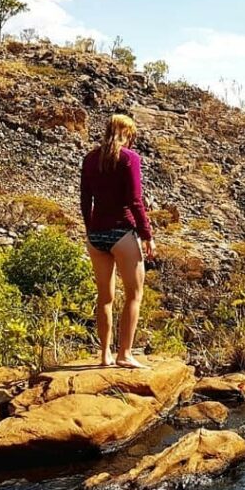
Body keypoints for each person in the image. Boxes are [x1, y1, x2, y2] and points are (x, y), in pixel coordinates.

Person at [80, 114, 156, 369]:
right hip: (122, 232)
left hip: (96, 235)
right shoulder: (129, 159)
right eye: (132, 135)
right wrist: (147, 235)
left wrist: (91, 230)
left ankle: (104, 356)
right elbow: (135, 200)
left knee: (105, 297)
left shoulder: (90, 158)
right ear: (127, 133)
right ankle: (124, 354)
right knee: (134, 294)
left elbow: (85, 200)